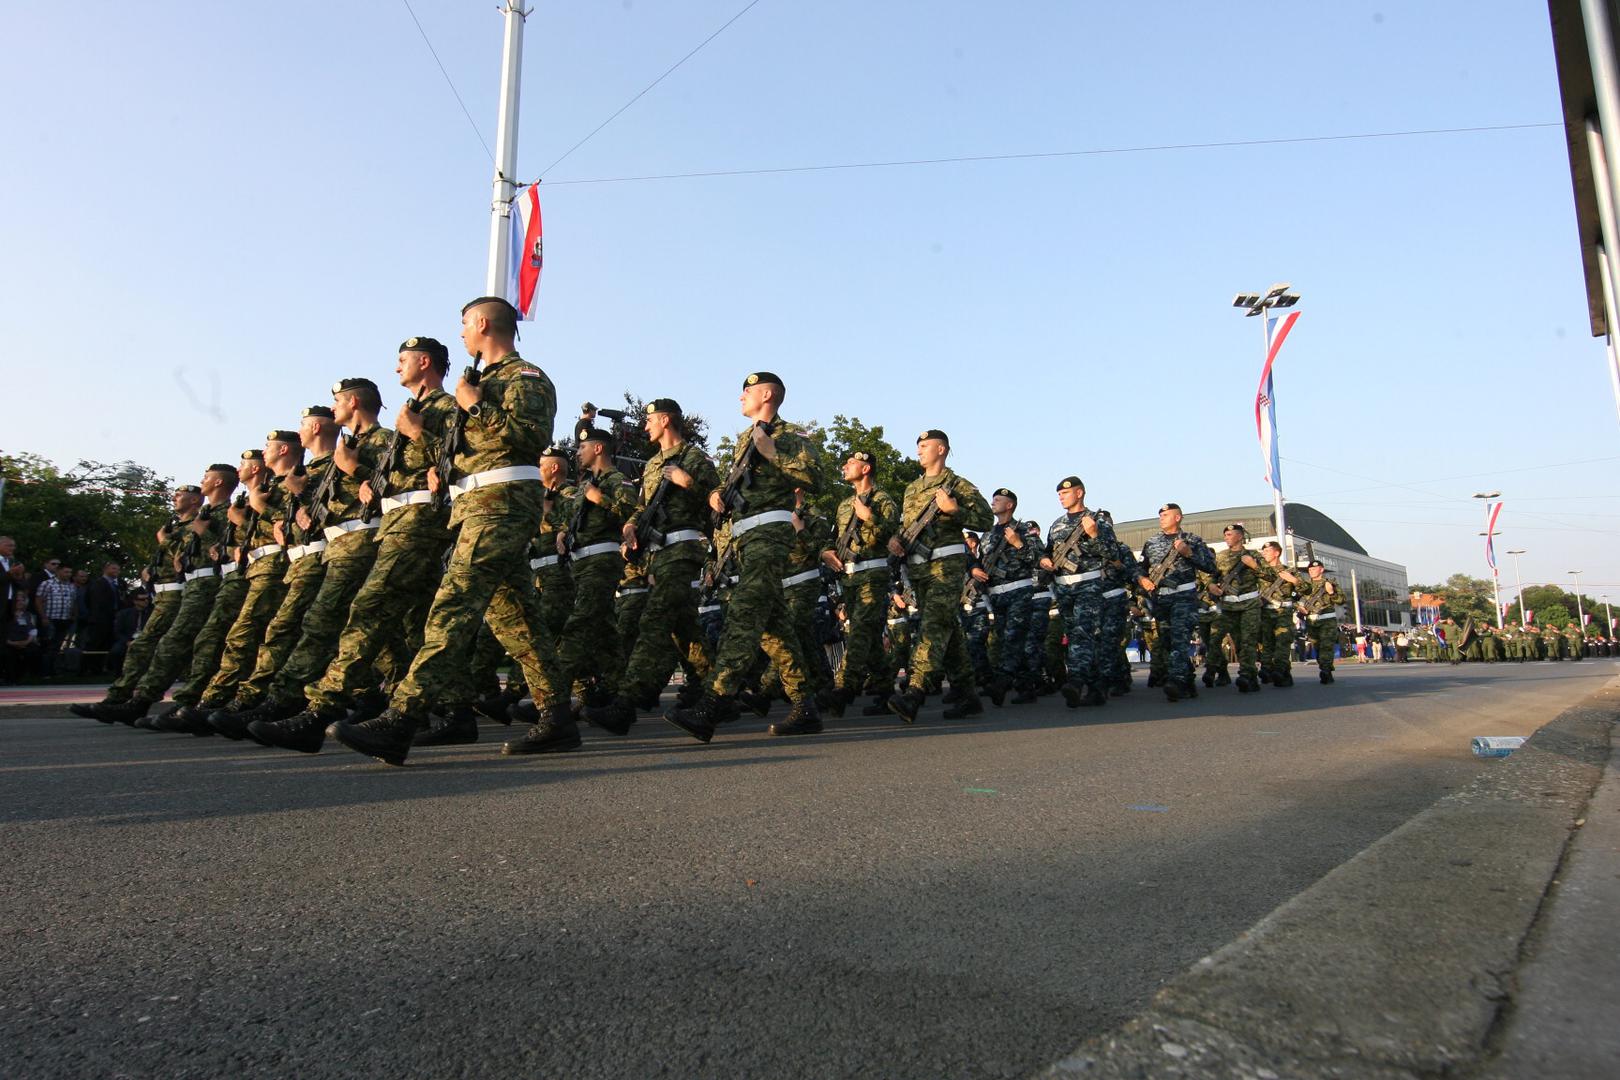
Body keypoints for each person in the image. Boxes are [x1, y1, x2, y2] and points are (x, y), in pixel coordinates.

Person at [331, 296, 571, 764]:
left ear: (482, 323)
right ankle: (558, 716)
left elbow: (530, 439)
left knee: (453, 605)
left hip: (500, 504)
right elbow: (464, 453)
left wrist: (475, 406)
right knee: (517, 619)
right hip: (475, 506)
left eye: (464, 324)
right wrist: (428, 434)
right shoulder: (477, 381)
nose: (461, 333)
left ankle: (401, 717)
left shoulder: (524, 377)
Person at [288, 340, 460, 740]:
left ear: (424, 362)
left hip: (418, 522)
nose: (396, 366)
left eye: (402, 360)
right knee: (419, 623)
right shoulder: (407, 413)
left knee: (369, 609)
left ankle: (318, 711)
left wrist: (410, 443)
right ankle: (451, 711)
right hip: (394, 524)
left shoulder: (444, 407)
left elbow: (457, 458)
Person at [665, 372, 825, 741]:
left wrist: (773, 453)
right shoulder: (743, 439)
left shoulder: (789, 435)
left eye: (747, 391)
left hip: (769, 534)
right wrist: (715, 494)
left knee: (743, 615)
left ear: (767, 395)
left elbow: (815, 475)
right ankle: (806, 707)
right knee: (774, 629)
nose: (740, 397)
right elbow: (735, 482)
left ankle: (715, 702)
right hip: (743, 538)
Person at [248, 378, 398, 752]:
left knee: (324, 622)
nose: (333, 409)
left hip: (363, 539)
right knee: (377, 628)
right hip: (336, 546)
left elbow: (392, 487)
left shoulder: (383, 440)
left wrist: (354, 471)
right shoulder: (346, 449)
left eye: (336, 401)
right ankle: (393, 699)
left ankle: (297, 704)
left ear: (353, 401)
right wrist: (297, 504)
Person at [591, 398, 722, 734]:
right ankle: (720, 694)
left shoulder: (694, 458)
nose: (645, 426)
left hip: (684, 550)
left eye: (649, 420)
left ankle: (627, 703)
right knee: (684, 631)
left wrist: (687, 482)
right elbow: (642, 507)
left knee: (654, 621)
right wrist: (630, 527)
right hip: (658, 553)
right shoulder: (651, 465)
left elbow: (719, 500)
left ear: (665, 420)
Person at [884, 430, 992, 723]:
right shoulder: (911, 488)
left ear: (941, 449)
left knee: (932, 626)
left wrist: (955, 511)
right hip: (918, 570)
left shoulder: (957, 484)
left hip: (946, 566)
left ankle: (915, 693)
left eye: (924, 446)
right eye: (918, 446)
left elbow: (985, 519)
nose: (919, 450)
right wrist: (895, 541)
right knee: (949, 630)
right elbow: (906, 527)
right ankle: (967, 694)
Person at [71, 484, 202, 719]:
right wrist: (149, 570)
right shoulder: (173, 527)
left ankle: (138, 701)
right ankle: (120, 698)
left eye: (181, 495)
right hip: (161, 595)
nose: (175, 497)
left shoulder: (199, 524)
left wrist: (164, 542)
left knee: (168, 648)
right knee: (147, 647)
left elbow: (186, 560)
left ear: (194, 501)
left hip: (180, 594)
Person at [818, 449, 900, 717]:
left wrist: (869, 516)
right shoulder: (843, 505)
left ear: (866, 469)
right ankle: (886, 690)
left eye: (851, 463)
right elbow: (834, 537)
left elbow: (888, 535)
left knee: (861, 633)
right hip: (849, 579)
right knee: (869, 637)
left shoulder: (883, 500)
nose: (845, 466)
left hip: (872, 576)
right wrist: (826, 552)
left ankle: (843, 690)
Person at [1039, 477, 1117, 708]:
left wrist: (1093, 535)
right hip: (1063, 587)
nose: (1061, 497)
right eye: (1059, 495)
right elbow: (1048, 551)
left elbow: (1112, 553)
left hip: (1088, 585)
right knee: (1076, 636)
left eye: (1065, 493)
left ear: (1080, 493)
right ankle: (1096, 688)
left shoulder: (1096, 521)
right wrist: (1044, 560)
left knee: (1082, 633)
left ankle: (1075, 680)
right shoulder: (1057, 524)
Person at [972, 488, 1046, 705]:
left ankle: (1001, 683)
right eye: (993, 499)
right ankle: (1026, 686)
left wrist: (1018, 543)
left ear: (1010, 505)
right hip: (996, 595)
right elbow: (980, 559)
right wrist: (974, 569)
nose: (993, 502)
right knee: (1009, 639)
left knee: (1013, 637)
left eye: (998, 499)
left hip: (1019, 592)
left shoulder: (1024, 530)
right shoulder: (987, 534)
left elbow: (1037, 558)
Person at [1137, 503, 1216, 702]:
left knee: (1179, 640)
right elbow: (1141, 568)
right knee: (1167, 641)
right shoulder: (1152, 542)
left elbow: (1210, 567)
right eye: (1160, 514)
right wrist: (1142, 579)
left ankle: (1176, 682)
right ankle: (1187, 679)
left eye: (1166, 514)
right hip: (1160, 598)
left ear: (1178, 517)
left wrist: (1189, 553)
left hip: (1184, 597)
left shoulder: (1193, 540)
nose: (1162, 517)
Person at [1208, 523, 1264, 692]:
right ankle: (1248, 674)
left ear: (1240, 536)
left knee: (1248, 640)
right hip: (1229, 606)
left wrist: (1253, 565)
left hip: (1250, 605)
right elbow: (1210, 576)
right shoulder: (1221, 557)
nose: (1227, 538)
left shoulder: (1253, 555)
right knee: (1235, 641)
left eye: (1230, 534)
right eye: (1225, 535)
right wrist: (1211, 586)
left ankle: (1246, 675)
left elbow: (1269, 575)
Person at [1298, 558, 1347, 683]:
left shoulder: (1330, 583)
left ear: (1322, 569)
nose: (1311, 571)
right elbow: (1295, 599)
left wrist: (1331, 592)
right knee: (1317, 647)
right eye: (1310, 569)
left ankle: (1325, 671)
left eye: (1314, 569)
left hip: (1327, 620)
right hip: (1312, 621)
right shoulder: (1305, 585)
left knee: (1326, 646)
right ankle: (1326, 667)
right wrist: (1299, 607)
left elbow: (1341, 600)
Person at [35, 564, 79, 676]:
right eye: (66, 572)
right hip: (50, 619)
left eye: (70, 572)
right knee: (48, 645)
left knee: (58, 645)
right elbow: (39, 600)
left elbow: (73, 602)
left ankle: (53, 670)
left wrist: (73, 615)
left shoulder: (71, 586)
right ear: (58, 572)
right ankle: (44, 671)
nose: (68, 575)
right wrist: (43, 617)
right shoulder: (47, 584)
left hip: (64, 619)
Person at [81, 561, 122, 675]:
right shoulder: (98, 583)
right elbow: (94, 602)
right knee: (94, 644)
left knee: (106, 644)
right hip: (99, 619)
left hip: (111, 619)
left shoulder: (115, 584)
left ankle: (98, 668)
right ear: (106, 569)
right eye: (113, 569)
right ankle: (86, 668)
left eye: (118, 569)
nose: (116, 572)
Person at [3, 594, 42, 684]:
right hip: (9, 642)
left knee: (33, 651)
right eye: (17, 601)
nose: (20, 603)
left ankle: (23, 677)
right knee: (8, 654)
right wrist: (11, 643)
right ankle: (9, 678)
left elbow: (33, 629)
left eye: (22, 600)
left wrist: (27, 641)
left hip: (25, 642)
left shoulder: (28, 615)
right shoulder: (5, 615)